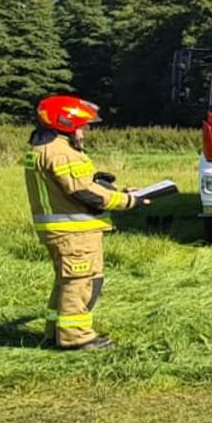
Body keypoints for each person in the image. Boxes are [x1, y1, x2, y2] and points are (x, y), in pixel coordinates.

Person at [24, 96, 148, 350]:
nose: (86, 130)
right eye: (83, 126)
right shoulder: (63, 153)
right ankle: (76, 337)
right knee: (81, 282)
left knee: (66, 281)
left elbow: (76, 188)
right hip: (74, 232)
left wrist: (113, 189)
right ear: (66, 123)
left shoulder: (44, 147)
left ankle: (55, 332)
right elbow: (86, 194)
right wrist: (128, 201)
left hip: (61, 229)